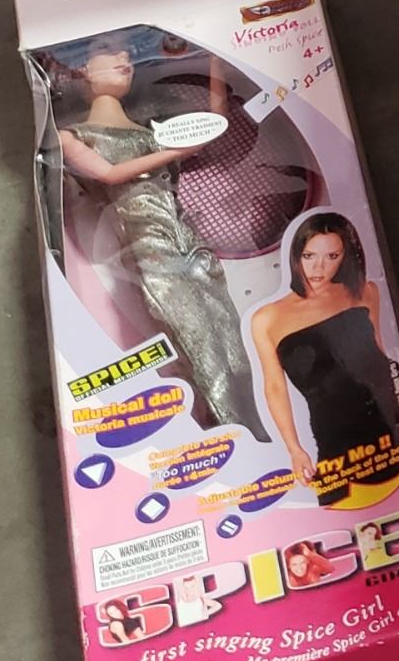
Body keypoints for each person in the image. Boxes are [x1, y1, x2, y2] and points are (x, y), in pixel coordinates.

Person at [57, 34, 271, 440]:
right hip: (149, 250)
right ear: (80, 68)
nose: (124, 57)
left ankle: (257, 431)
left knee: (231, 339)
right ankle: (234, 436)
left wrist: (215, 62)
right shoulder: (73, 137)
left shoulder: (149, 132)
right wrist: (177, 151)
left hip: (190, 240)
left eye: (128, 51)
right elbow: (109, 175)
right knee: (197, 341)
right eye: (106, 51)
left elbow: (213, 125)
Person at [250, 212, 399, 508]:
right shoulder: (267, 318)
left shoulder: (364, 292)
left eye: (332, 256)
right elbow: (275, 387)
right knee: (345, 512)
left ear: (345, 257)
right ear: (296, 255)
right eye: (309, 255)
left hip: (390, 428)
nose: (318, 267)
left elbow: (381, 355)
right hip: (333, 439)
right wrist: (294, 449)